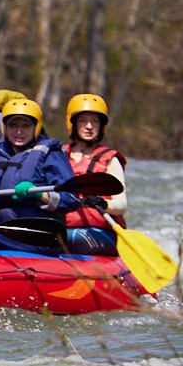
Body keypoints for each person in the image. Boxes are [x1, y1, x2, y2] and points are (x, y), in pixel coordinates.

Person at [0, 97, 78, 252]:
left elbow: (71, 198)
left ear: (36, 128)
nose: (18, 131)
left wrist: (40, 195)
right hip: (2, 225)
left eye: (25, 126)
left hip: (39, 232)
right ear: (4, 127)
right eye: (13, 125)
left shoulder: (51, 154)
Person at [61, 93, 127, 256]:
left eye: (94, 121)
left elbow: (122, 205)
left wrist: (103, 204)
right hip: (63, 227)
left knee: (73, 238)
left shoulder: (110, 159)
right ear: (73, 124)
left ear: (101, 126)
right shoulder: (59, 155)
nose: (89, 126)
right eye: (83, 121)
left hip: (98, 232)